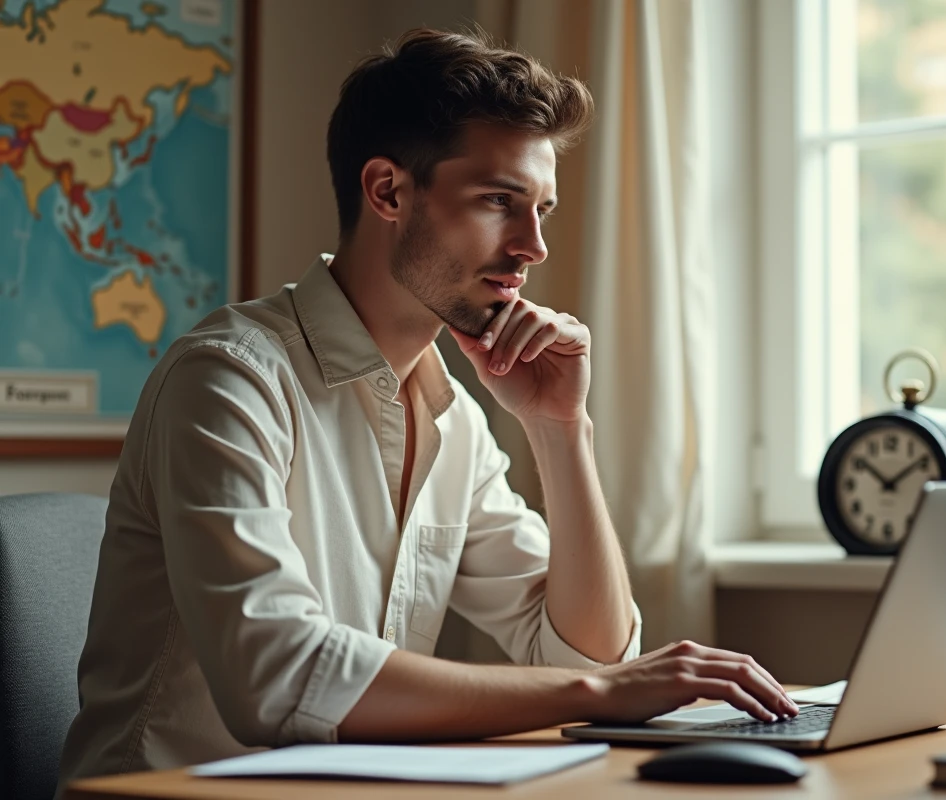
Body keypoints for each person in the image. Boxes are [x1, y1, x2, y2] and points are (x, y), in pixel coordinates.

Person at [56, 28, 797, 790]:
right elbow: (275, 678)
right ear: (387, 191)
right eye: (499, 201)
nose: (534, 246)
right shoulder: (228, 380)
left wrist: (560, 428)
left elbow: (587, 653)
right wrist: (599, 693)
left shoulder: (455, 421)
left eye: (541, 209)